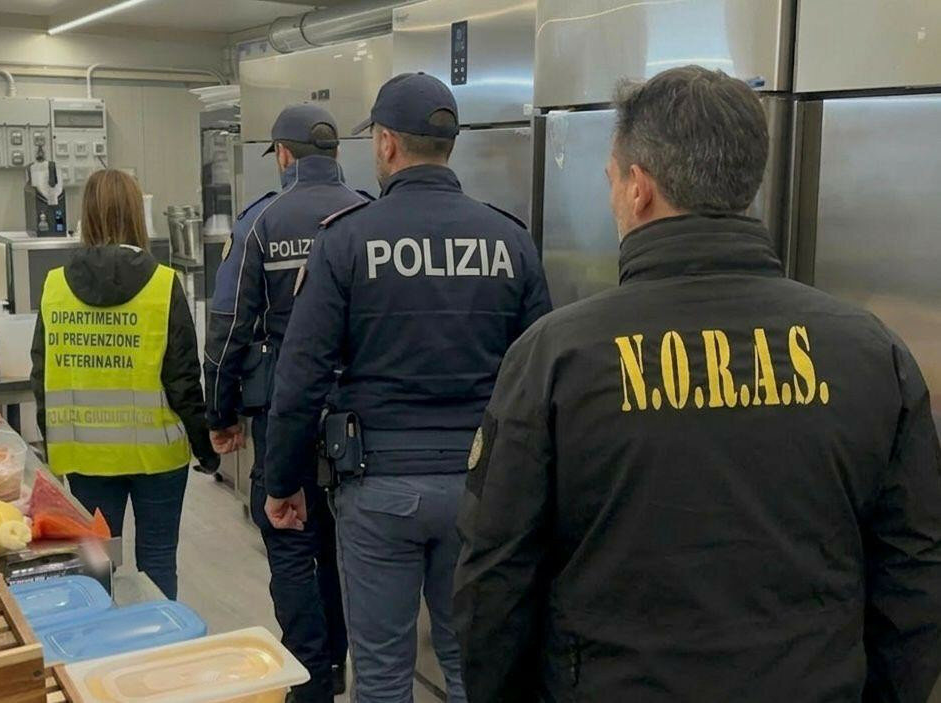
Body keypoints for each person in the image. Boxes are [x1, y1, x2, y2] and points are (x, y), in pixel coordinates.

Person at [454, 65, 941, 702]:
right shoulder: (873, 353)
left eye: (610, 181)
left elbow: (496, 576)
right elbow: (915, 566)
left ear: (638, 190)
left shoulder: (556, 358)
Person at [263, 73, 552, 702]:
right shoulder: (510, 240)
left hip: (379, 487)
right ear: (448, 146)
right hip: (482, 489)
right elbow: (538, 382)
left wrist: (282, 482)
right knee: (470, 661)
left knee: (385, 670)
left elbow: (300, 378)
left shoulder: (346, 240)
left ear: (388, 144)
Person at [204, 104, 368, 702]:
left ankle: (310, 679)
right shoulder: (366, 214)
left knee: (290, 538)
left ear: (283, 155)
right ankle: (338, 662)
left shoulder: (260, 222)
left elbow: (228, 333)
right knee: (338, 545)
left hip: (281, 413)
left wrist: (219, 418)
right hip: (356, 417)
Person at [31, 169, 219, 600]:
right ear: (138, 213)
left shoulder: (55, 286)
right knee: (157, 561)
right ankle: (159, 653)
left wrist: (52, 447)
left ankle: (100, 656)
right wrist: (206, 450)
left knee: (96, 563)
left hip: (85, 455)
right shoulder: (163, 284)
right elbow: (183, 378)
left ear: (87, 216)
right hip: (158, 456)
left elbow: (41, 375)